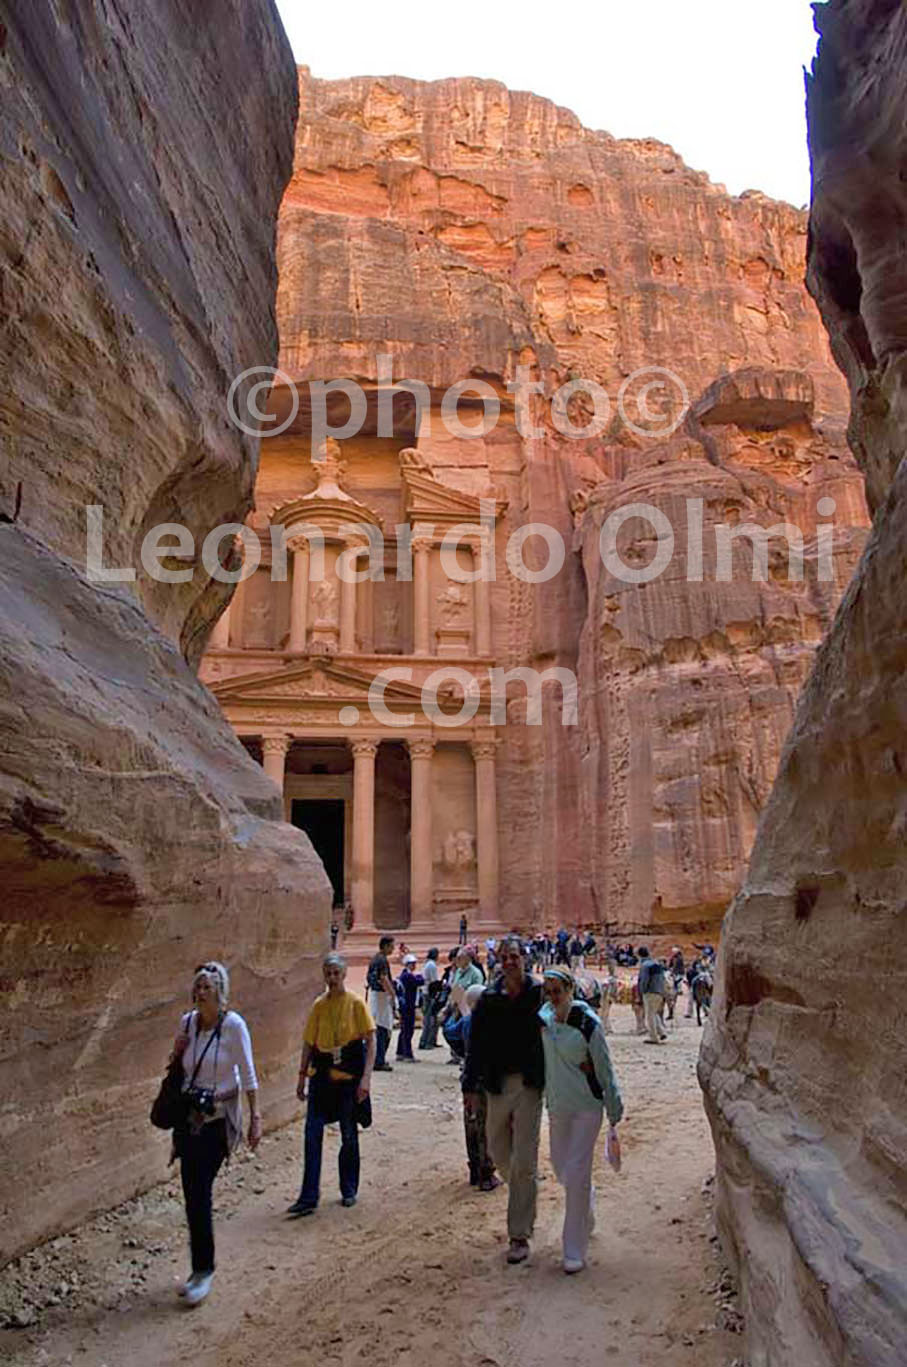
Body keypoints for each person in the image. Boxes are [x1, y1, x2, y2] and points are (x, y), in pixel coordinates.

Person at [171, 961, 261, 1306]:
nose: (200, 991)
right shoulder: (188, 1023)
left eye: (207, 986)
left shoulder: (233, 1025)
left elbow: (248, 1073)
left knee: (199, 1190)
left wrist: (255, 1118)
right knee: (192, 1192)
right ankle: (199, 1269)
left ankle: (203, 1271)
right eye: (198, 986)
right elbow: (179, 1068)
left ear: (220, 992)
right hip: (190, 1118)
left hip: (219, 1120)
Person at [463, 936, 544, 1265]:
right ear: (498, 961)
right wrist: (470, 1086)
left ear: (524, 958)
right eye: (505, 957)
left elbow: (558, 1027)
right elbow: (476, 1044)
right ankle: (525, 1186)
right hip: (497, 1084)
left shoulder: (538, 993)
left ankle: (519, 1234)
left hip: (529, 1084)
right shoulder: (489, 998)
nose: (510, 961)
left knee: (524, 1157)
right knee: (497, 1151)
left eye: (515, 956)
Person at [539, 966, 623, 1273]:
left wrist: (614, 1107)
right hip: (558, 1105)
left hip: (587, 1106)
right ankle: (586, 1200)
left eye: (558, 991)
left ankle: (573, 1249)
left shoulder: (588, 1024)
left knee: (575, 1172)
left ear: (570, 990)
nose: (553, 997)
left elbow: (604, 1067)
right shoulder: (544, 1020)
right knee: (561, 1167)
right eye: (548, 992)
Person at [287, 953, 375, 1218]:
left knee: (348, 1134)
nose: (332, 978)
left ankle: (348, 1188)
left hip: (348, 1079)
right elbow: (309, 1042)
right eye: (328, 973)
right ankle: (308, 1196)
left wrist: (366, 1078)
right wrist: (301, 1075)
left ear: (344, 974)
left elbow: (370, 1041)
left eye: (336, 973)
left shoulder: (356, 1003)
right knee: (312, 1133)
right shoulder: (319, 1005)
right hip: (322, 1077)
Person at [455, 984, 501, 1192]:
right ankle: (486, 1173)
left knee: (471, 1124)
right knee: (486, 1127)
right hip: (485, 1081)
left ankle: (474, 1169)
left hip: (468, 1080)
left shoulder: (466, 1021)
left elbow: (449, 1032)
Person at [366, 934, 396, 1072]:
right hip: (381, 997)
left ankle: (376, 1059)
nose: (393, 949)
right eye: (391, 946)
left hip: (375, 995)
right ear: (385, 946)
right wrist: (392, 994)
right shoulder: (382, 960)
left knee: (378, 1026)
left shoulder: (375, 959)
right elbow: (383, 978)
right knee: (383, 1027)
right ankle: (379, 1060)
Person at [637, 946, 668, 1044]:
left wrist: (641, 992)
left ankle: (653, 1037)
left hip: (650, 992)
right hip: (660, 991)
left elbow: (644, 980)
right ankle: (662, 1032)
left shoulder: (645, 966)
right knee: (654, 1013)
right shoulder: (656, 963)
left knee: (650, 1015)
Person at [396, 955, 424, 1061]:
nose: (414, 966)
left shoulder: (404, 975)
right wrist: (420, 976)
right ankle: (407, 1054)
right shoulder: (408, 976)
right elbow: (420, 981)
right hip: (408, 1006)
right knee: (408, 1031)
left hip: (405, 1006)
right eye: (412, 964)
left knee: (404, 1030)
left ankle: (400, 1052)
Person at [418, 947, 442, 1049]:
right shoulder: (432, 965)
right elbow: (434, 981)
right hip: (429, 994)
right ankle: (426, 1042)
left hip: (426, 993)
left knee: (430, 1018)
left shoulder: (427, 964)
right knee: (429, 1019)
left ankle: (429, 1041)